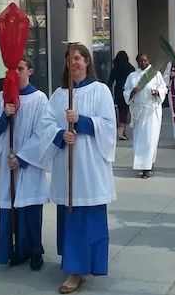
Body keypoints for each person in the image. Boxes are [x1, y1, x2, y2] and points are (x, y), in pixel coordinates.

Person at [39, 44, 117, 294]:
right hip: (68, 165)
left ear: (87, 62)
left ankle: (87, 263)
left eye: (77, 58)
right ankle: (74, 266)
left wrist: (81, 121)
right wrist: (61, 134)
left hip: (90, 166)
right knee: (71, 214)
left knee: (89, 216)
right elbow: (46, 123)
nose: (73, 63)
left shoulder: (100, 90)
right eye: (69, 59)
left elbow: (109, 125)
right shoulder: (60, 94)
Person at [0, 54, 49, 271]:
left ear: (30, 71)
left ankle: (34, 251)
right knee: (11, 206)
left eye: (20, 68)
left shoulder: (40, 99)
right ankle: (15, 250)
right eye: (12, 69)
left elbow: (43, 132)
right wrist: (5, 115)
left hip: (28, 163)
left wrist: (22, 158)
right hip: (8, 160)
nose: (16, 73)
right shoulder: (1, 98)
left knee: (30, 209)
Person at [123, 53, 167, 179]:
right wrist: (132, 92)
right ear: (137, 62)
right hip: (139, 111)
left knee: (150, 139)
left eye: (145, 60)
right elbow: (125, 91)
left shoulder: (155, 74)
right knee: (139, 140)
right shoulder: (132, 76)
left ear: (149, 61)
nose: (143, 63)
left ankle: (147, 167)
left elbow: (163, 87)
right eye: (141, 61)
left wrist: (157, 92)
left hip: (152, 111)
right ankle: (143, 164)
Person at [108, 51, 135, 140]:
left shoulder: (115, 68)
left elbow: (110, 81)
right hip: (128, 92)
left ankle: (123, 131)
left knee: (121, 111)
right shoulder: (130, 68)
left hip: (118, 91)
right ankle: (121, 132)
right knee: (125, 112)